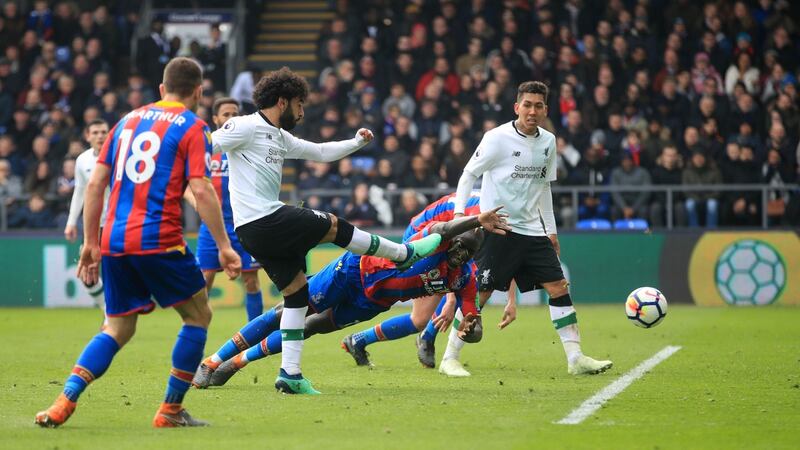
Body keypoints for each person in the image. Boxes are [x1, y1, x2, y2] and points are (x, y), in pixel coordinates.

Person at [206, 66, 442, 395]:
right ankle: (402, 253)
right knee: (331, 224)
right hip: (261, 219)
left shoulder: (278, 135)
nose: (302, 112)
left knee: (297, 295)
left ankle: (289, 374)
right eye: (300, 104)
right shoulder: (243, 126)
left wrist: (356, 143)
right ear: (282, 101)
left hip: (257, 229)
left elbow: (318, 152)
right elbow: (208, 146)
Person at [35, 57, 242, 428]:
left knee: (117, 326)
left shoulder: (125, 121)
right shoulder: (194, 127)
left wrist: (90, 243)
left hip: (114, 240)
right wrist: (225, 245)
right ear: (198, 92)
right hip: (159, 239)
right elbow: (201, 188)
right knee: (198, 315)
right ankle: (171, 410)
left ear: (161, 89)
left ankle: (63, 401)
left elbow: (96, 184)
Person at [191, 209, 510, 388]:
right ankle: (212, 361)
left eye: (469, 251)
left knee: (313, 327)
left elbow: (474, 322)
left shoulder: (464, 277)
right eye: (460, 244)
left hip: (371, 303)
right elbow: (445, 226)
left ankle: (237, 362)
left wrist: (473, 330)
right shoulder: (437, 240)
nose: (460, 253)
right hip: (353, 271)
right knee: (286, 312)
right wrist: (475, 221)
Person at [449, 81, 612, 376]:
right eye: (527, 105)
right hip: (498, 228)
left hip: (532, 231)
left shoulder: (548, 141)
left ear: (546, 110)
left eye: (538, 106)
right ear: (516, 107)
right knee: (480, 296)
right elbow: (468, 174)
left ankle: (575, 358)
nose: (532, 111)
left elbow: (544, 188)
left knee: (558, 287)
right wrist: (461, 216)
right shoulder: (496, 138)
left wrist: (551, 230)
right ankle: (450, 357)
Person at [342, 191, 491, 372]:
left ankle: (359, 340)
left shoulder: (492, 203)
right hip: (422, 237)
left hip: (442, 241)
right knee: (421, 316)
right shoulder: (480, 213)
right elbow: (455, 246)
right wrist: (450, 299)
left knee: (420, 320)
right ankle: (427, 337)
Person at [184, 97, 264, 321]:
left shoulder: (247, 146)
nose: (231, 118)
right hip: (212, 226)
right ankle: (196, 330)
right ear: (215, 119)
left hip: (245, 223)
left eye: (235, 114)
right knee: (205, 280)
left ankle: (254, 336)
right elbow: (184, 186)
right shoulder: (206, 147)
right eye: (226, 114)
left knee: (251, 280)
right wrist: (197, 204)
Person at [64, 119, 109, 315]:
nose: (100, 136)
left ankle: (118, 314)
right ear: (87, 136)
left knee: (115, 273)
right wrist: (71, 222)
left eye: (103, 132)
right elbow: (79, 192)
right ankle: (107, 310)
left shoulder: (118, 157)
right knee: (87, 274)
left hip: (116, 223)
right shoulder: (82, 160)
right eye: (96, 132)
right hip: (93, 226)